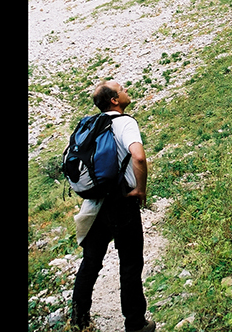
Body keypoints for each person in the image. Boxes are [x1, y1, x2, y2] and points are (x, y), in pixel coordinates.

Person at [71, 80, 155, 332]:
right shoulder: (125, 122)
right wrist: (140, 189)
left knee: (91, 262)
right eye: (123, 90)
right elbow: (138, 156)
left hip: (95, 203)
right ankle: (135, 323)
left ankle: (78, 321)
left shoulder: (92, 125)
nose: (127, 91)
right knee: (129, 262)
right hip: (122, 201)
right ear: (114, 100)